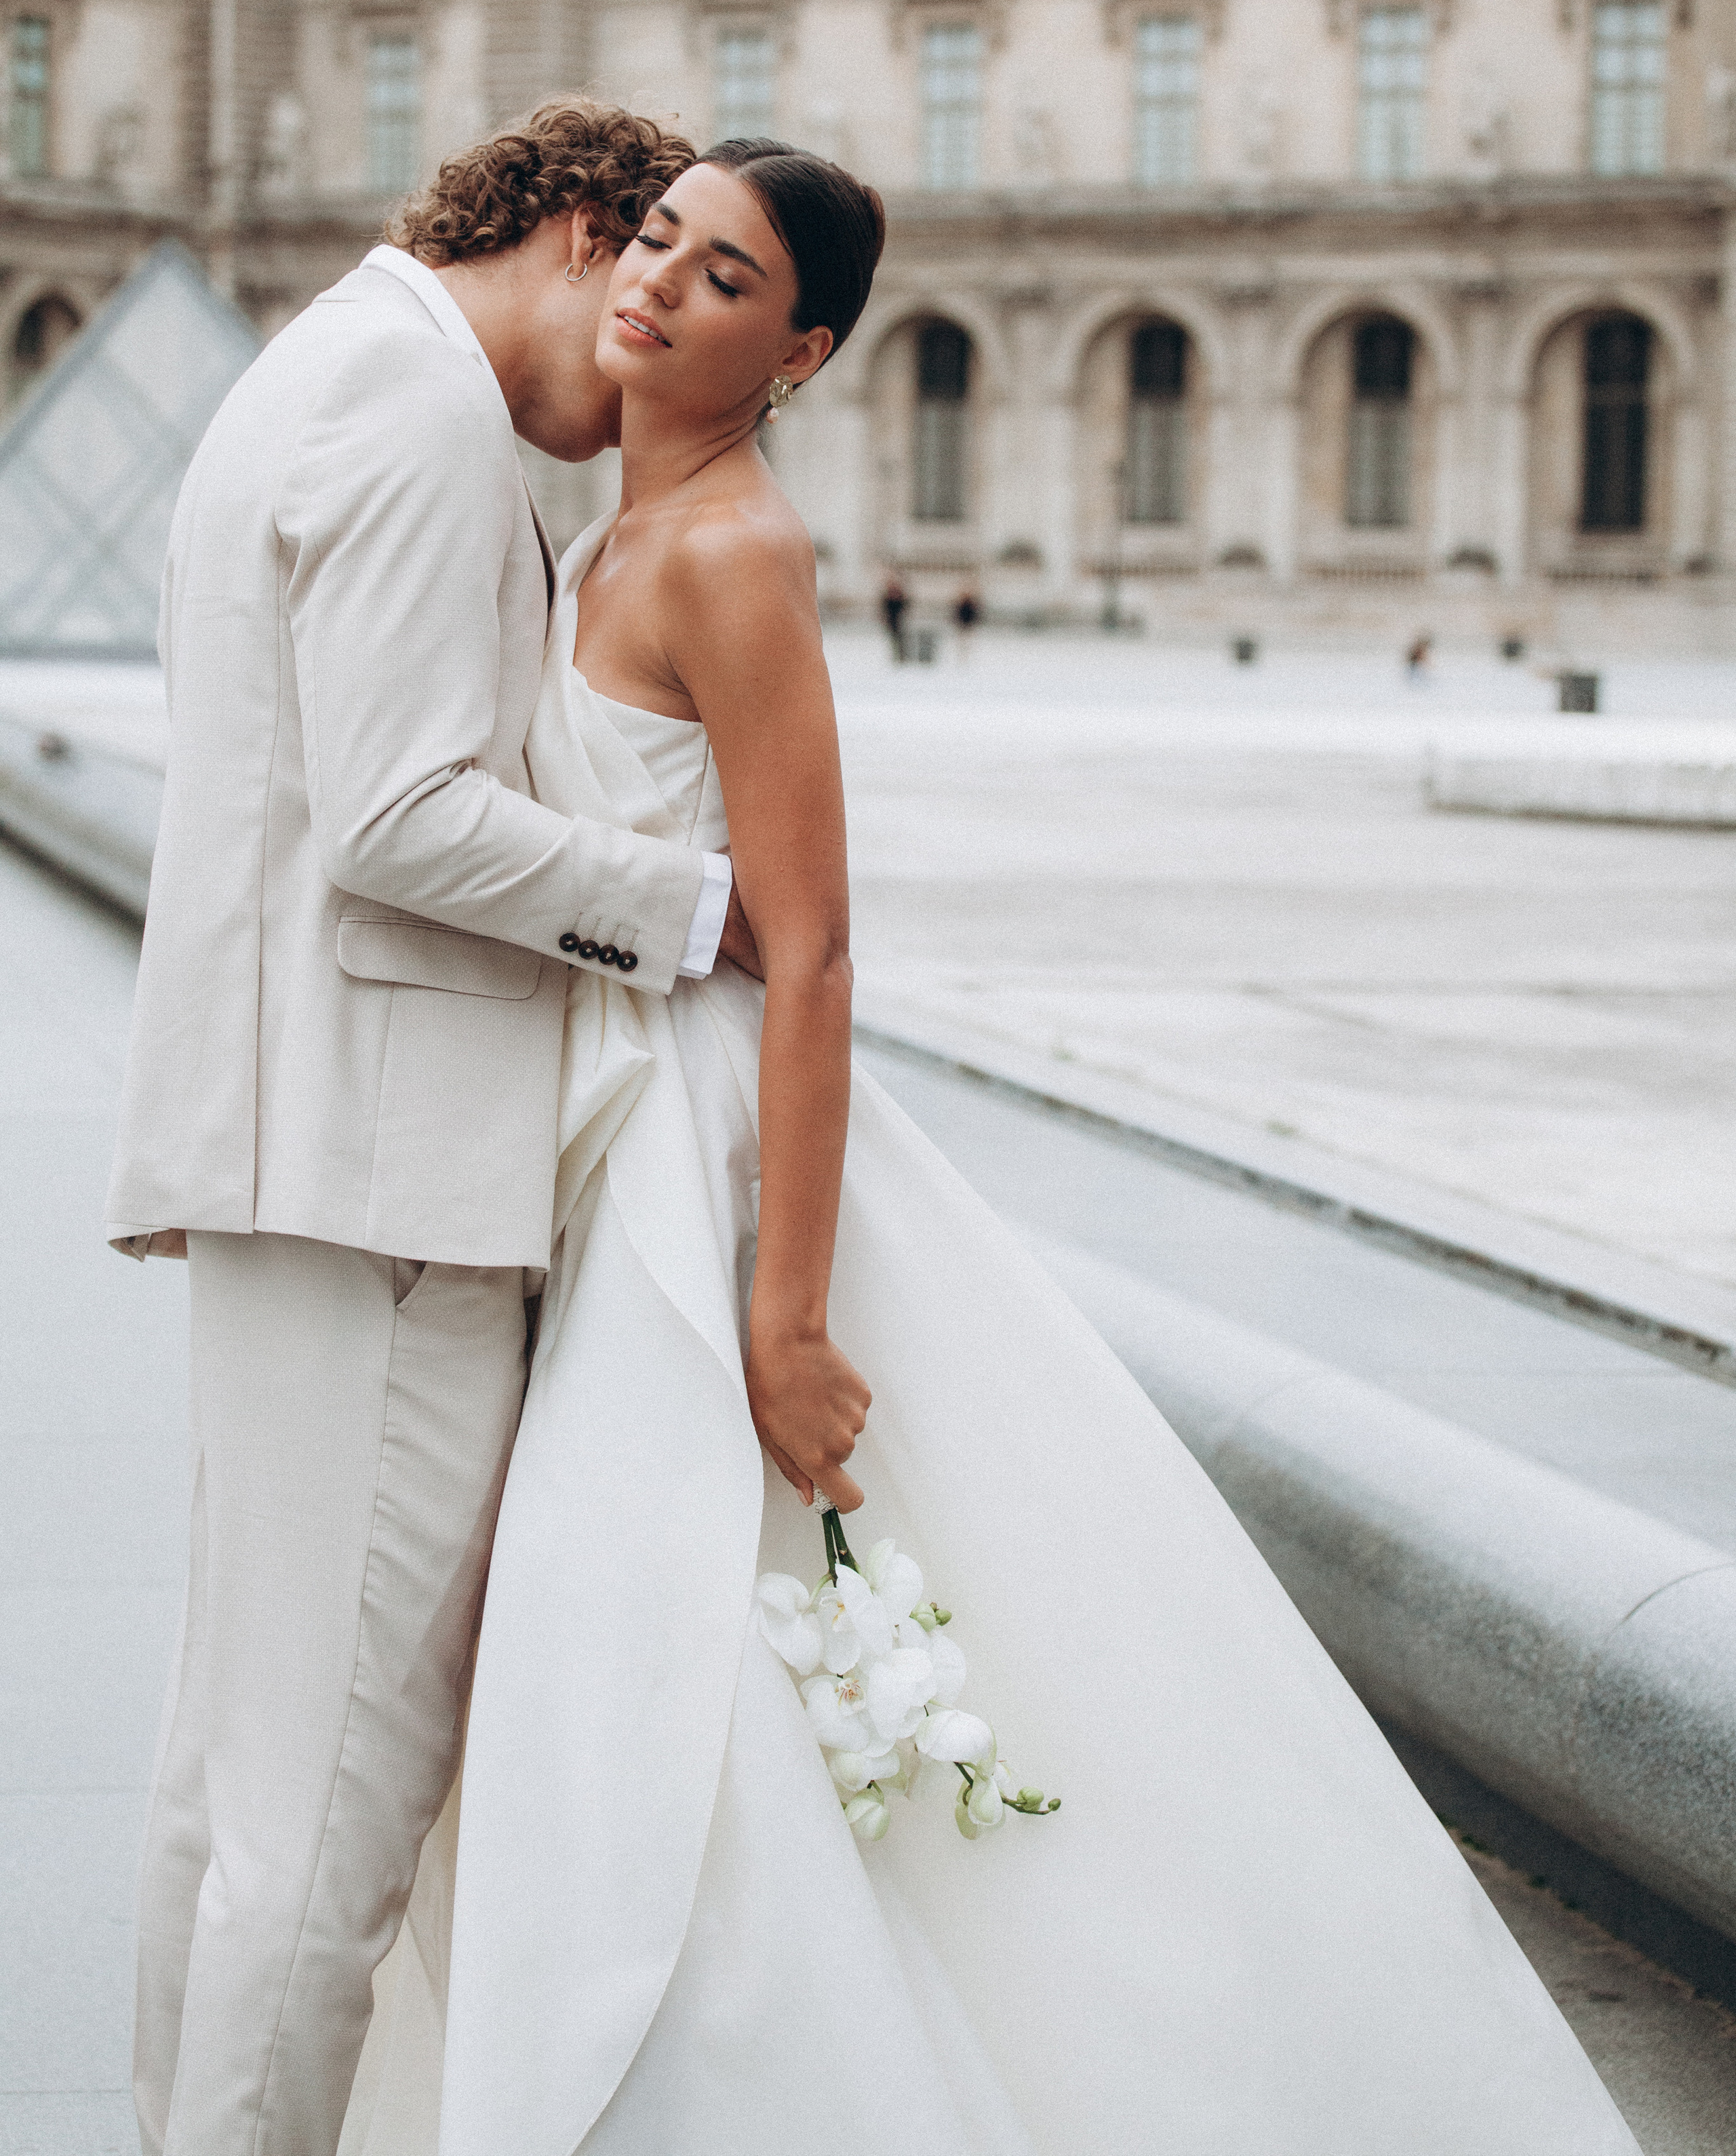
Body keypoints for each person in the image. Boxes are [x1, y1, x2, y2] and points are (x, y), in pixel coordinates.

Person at [340, 140, 1638, 2156]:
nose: (662, 282)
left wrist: (784, 1304)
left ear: (807, 348)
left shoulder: (727, 553)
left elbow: (818, 943)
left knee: (649, 1635)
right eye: (659, 238)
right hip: (591, 1142)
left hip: (694, 1168)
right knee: (647, 1643)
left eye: (728, 272)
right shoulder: (596, 537)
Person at [106, 101, 766, 2156]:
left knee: (240, 1784)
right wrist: (697, 910)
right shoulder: (413, 411)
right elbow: (397, 817)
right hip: (383, 1172)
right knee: (324, 1822)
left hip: (307, 1146)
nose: (634, 359)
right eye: (639, 282)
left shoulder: (323, 366)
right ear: (580, 231)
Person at [880, 568, 909, 659]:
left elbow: (906, 606)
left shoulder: (900, 596)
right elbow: (884, 608)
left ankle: (901, 656)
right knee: (895, 638)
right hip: (892, 620)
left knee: (901, 638)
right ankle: (898, 656)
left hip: (900, 620)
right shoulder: (888, 597)